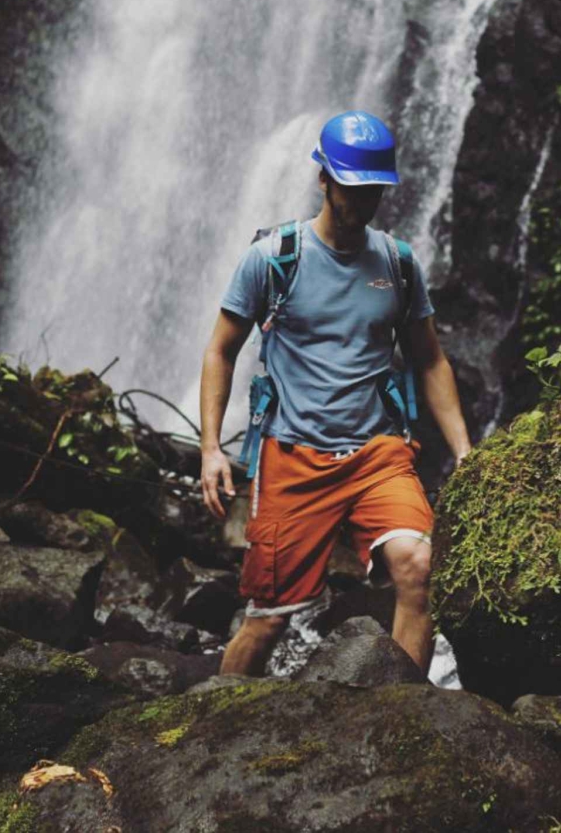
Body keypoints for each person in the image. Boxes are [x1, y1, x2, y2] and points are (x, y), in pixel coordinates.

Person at [199, 110, 472, 676]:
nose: (362, 201)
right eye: (351, 188)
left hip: (377, 454)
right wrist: (209, 449)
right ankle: (209, 723)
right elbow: (220, 350)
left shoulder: (397, 264)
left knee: (418, 567)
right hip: (293, 456)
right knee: (270, 617)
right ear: (323, 179)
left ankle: (403, 718)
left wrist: (465, 451)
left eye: (373, 190)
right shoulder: (274, 259)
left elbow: (430, 358)